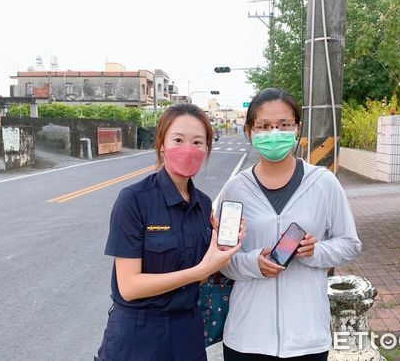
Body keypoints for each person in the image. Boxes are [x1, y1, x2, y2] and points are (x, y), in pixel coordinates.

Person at [216, 88, 362, 360]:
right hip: (246, 338)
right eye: (264, 126)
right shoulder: (235, 190)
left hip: (307, 339)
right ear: (249, 131)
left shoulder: (323, 183)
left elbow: (349, 244)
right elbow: (222, 259)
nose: (274, 133)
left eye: (283, 125)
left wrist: (314, 252)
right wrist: (252, 263)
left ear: (297, 128)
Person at [96, 103, 242, 361]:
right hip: (138, 332)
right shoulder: (134, 200)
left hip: (188, 330)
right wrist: (200, 271)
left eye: (198, 142)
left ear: (207, 148)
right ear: (162, 145)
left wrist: (221, 250)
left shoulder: (204, 204)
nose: (189, 149)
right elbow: (129, 286)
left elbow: (200, 271)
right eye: (178, 139)